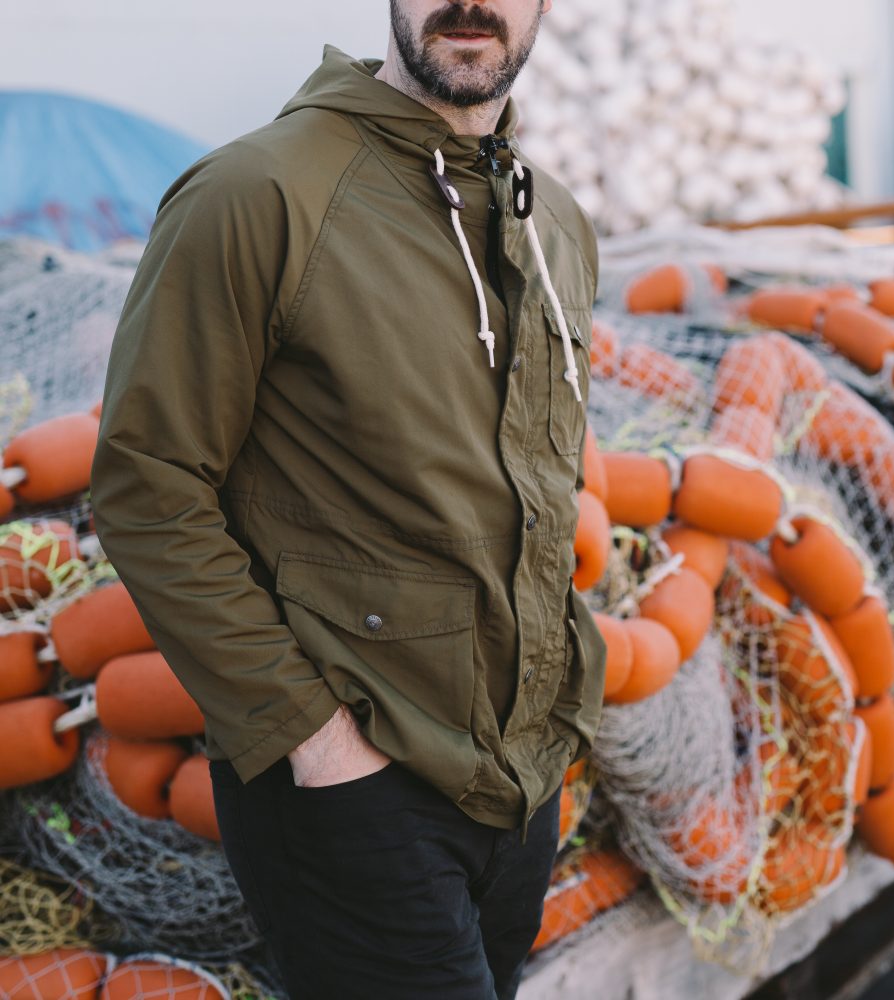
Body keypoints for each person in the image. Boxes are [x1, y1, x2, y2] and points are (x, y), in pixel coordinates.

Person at [90, 1, 606, 997]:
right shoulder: (257, 194)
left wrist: (555, 715)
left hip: (520, 781)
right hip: (353, 782)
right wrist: (313, 739)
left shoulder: (555, 223)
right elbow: (149, 484)